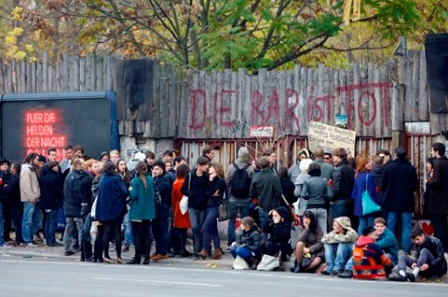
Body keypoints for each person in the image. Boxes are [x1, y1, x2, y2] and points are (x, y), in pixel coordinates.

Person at [381, 146, 419, 254]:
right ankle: (406, 250)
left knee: (391, 224)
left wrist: (387, 193)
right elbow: (415, 185)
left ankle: (390, 249)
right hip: (406, 200)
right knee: (406, 225)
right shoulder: (410, 168)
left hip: (391, 200)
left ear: (395, 154)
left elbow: (384, 184)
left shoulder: (389, 167)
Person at [95, 161, 128, 264]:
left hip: (104, 209)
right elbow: (124, 191)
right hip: (116, 208)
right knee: (117, 231)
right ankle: (118, 256)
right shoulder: (116, 179)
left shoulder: (103, 179)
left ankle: (106, 255)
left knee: (106, 231)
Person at [127, 161, 156, 265]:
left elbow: (134, 196)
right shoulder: (150, 180)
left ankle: (137, 257)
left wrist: (130, 189)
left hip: (137, 211)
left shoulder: (135, 181)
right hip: (148, 211)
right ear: (146, 169)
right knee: (147, 234)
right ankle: (147, 258)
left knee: (137, 235)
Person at [181, 156, 209, 259]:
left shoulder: (206, 177)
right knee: (194, 227)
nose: (207, 167)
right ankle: (197, 250)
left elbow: (209, 188)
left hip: (203, 206)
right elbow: (183, 189)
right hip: (193, 206)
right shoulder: (190, 176)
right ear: (199, 165)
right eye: (204, 165)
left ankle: (201, 250)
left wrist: (206, 195)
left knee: (201, 228)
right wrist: (190, 194)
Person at [63, 158, 92, 256]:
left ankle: (67, 248)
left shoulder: (69, 176)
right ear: (78, 165)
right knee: (81, 228)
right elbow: (77, 192)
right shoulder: (77, 177)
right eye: (83, 163)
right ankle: (82, 247)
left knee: (68, 228)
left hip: (68, 207)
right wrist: (81, 201)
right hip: (76, 207)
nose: (85, 165)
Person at [226, 147, 254, 249]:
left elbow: (227, 182)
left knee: (231, 221)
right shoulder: (250, 168)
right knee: (245, 222)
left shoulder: (231, 167)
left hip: (233, 199)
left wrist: (229, 195)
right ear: (247, 156)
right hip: (246, 200)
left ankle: (230, 243)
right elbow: (252, 185)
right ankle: (243, 242)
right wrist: (250, 196)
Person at [198, 162, 226, 260]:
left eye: (211, 167)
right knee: (213, 229)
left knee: (205, 227)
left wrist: (210, 184)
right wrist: (210, 185)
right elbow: (207, 193)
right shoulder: (211, 180)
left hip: (215, 206)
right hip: (209, 206)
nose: (209, 169)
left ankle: (205, 249)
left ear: (216, 169)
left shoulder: (220, 181)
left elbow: (211, 191)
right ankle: (217, 250)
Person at [250, 157, 283, 233]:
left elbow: (252, 193)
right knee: (274, 226)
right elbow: (279, 193)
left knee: (264, 227)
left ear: (259, 165)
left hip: (262, 205)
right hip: (274, 206)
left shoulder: (256, 177)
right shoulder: (274, 177)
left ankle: (264, 242)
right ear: (269, 165)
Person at [351, 156, 381, 234]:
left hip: (359, 202)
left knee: (361, 223)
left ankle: (361, 240)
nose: (370, 164)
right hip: (368, 201)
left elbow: (354, 191)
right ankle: (370, 240)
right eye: (367, 163)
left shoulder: (357, 175)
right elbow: (371, 192)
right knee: (370, 223)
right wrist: (377, 202)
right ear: (364, 165)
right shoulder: (369, 176)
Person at [427, 142, 448, 252]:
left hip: (437, 200)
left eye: (432, 150)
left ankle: (442, 246)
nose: (431, 152)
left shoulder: (438, 164)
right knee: (444, 223)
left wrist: (429, 181)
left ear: (436, 151)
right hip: (445, 200)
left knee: (438, 224)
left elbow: (436, 182)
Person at [301, 162, 332, 234]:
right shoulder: (324, 180)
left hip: (310, 206)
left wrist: (309, 197)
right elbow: (330, 195)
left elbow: (303, 194)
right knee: (323, 229)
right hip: (322, 206)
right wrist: (323, 196)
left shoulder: (307, 181)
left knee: (309, 229)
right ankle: (324, 244)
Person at [151, 160, 172, 261]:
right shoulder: (155, 179)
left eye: (157, 169)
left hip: (162, 210)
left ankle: (163, 252)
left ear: (162, 170)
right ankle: (158, 250)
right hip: (156, 210)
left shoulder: (164, 180)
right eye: (154, 169)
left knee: (162, 231)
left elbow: (156, 191)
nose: (155, 171)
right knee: (156, 231)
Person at [39, 161, 63, 247]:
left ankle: (47, 240)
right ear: (53, 167)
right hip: (52, 202)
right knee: (52, 222)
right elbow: (56, 191)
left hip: (44, 202)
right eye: (56, 167)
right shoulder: (54, 178)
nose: (58, 168)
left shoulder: (43, 178)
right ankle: (51, 240)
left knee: (47, 222)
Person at [171, 164, 192, 257]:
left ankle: (180, 248)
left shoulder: (176, 183)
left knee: (180, 230)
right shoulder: (188, 182)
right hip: (187, 207)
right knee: (185, 230)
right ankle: (183, 249)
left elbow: (174, 198)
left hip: (178, 208)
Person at [20, 153, 42, 246]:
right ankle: (27, 240)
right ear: (32, 159)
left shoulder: (32, 169)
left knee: (37, 220)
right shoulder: (26, 170)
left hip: (36, 198)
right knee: (27, 220)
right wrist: (32, 197)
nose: (38, 161)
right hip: (29, 199)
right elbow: (26, 186)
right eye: (37, 159)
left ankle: (30, 236)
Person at [329, 148, 355, 222]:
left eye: (333, 156)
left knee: (338, 224)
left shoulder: (338, 169)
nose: (333, 159)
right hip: (349, 200)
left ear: (338, 156)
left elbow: (336, 187)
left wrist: (332, 198)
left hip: (339, 200)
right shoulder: (350, 169)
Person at [6, 163, 23, 245]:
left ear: (15, 169)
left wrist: (6, 187)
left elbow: (10, 191)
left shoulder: (14, 180)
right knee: (19, 221)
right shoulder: (20, 178)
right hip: (20, 202)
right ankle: (20, 238)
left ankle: (19, 238)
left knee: (17, 223)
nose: (10, 168)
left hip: (14, 203)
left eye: (12, 167)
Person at [0, 157, 12, 244]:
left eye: (6, 165)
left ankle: (6, 236)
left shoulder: (9, 175)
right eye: (2, 165)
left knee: (8, 218)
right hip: (1, 199)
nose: (4, 166)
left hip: (8, 200)